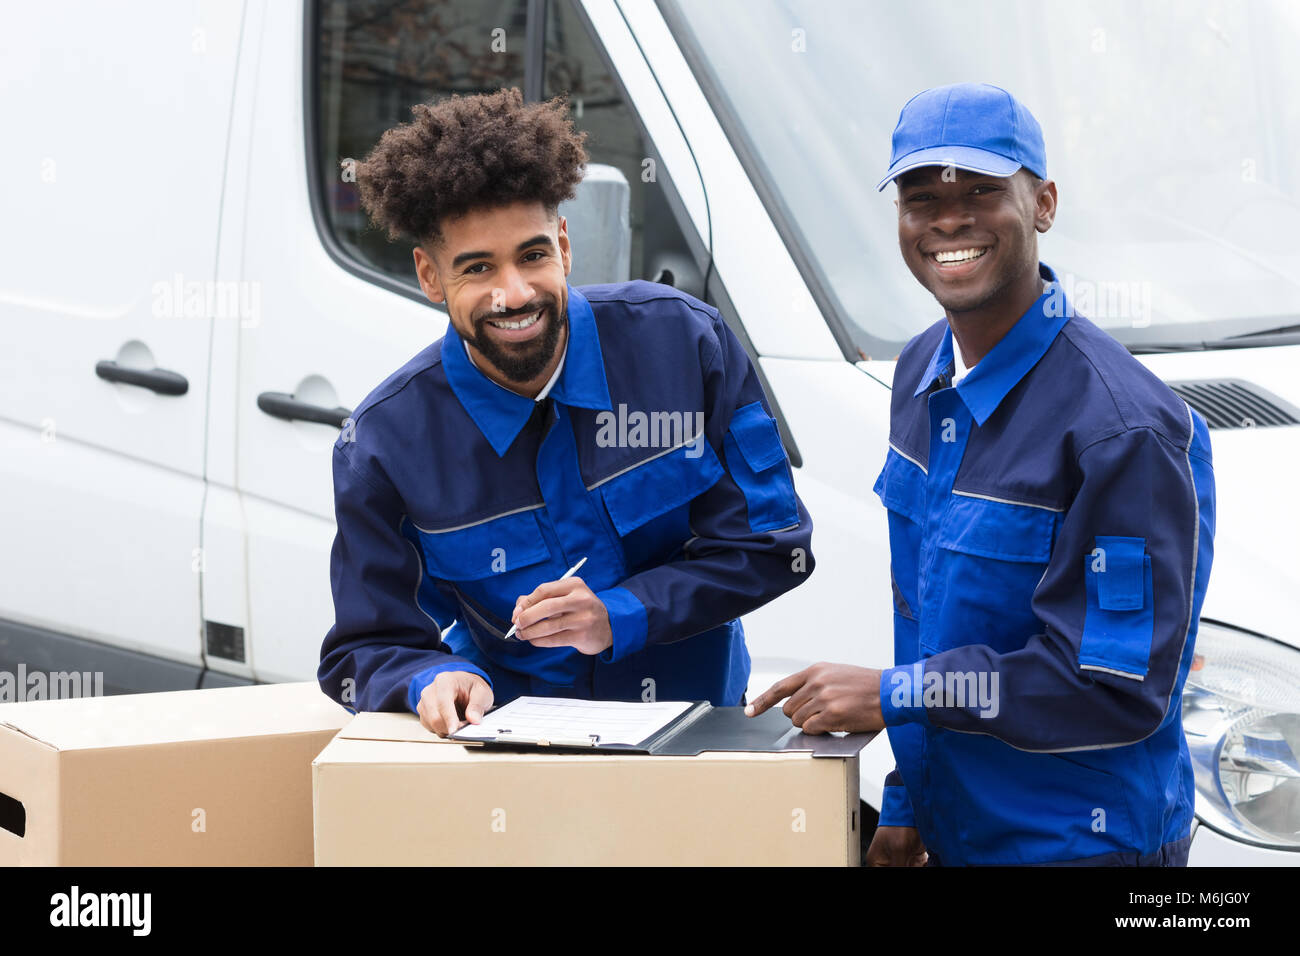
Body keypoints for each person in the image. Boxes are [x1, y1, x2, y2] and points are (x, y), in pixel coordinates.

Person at [747, 82, 1215, 866]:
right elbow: (925, 619)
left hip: (1078, 847)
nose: (949, 219)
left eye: (983, 191)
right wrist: (907, 800)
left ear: (1044, 204)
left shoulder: (1122, 431)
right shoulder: (920, 375)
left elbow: (1114, 685)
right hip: (956, 834)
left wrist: (895, 696)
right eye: (921, 197)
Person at [318, 89, 814, 736]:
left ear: (565, 246)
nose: (514, 293)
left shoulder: (685, 346)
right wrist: (428, 679)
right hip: (513, 766)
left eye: (532, 255)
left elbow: (775, 547)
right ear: (430, 277)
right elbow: (365, 647)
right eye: (477, 268)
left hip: (697, 744)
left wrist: (623, 613)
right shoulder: (384, 445)